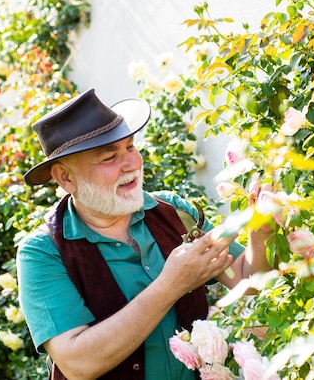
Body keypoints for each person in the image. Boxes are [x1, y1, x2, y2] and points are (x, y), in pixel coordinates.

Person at [16, 89, 273, 380]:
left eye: (130, 147)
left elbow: (245, 280)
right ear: (66, 178)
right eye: (110, 157)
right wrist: (171, 284)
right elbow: (78, 364)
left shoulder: (174, 211)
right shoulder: (43, 252)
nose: (132, 164)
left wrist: (261, 232)